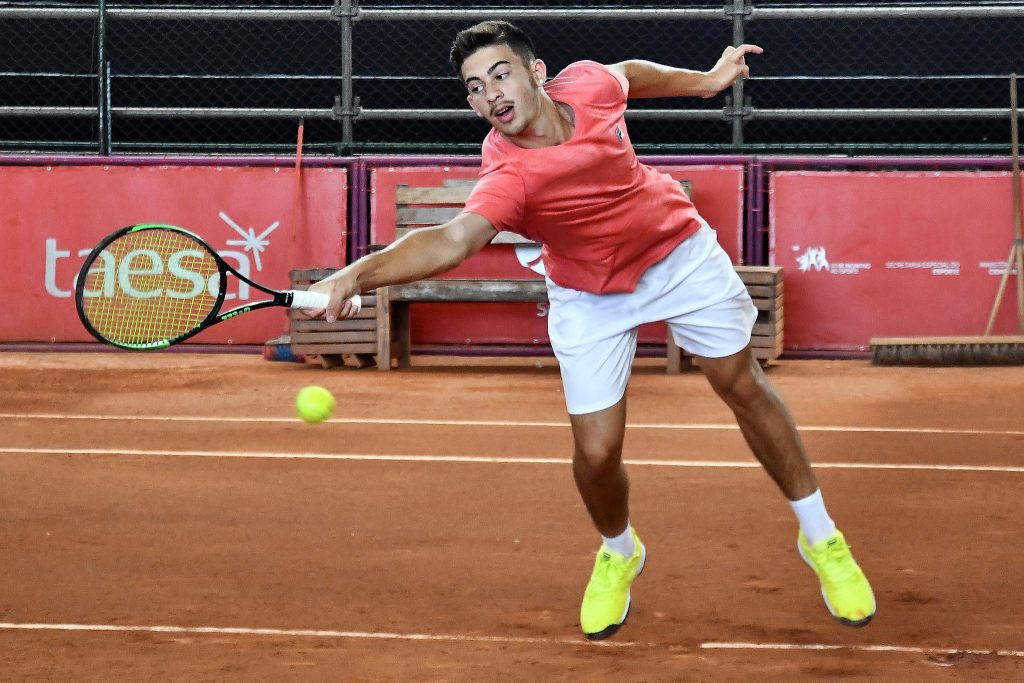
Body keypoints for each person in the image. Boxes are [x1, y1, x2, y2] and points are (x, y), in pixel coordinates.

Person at [308, 20, 875, 641]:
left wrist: (709, 81)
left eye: (500, 74)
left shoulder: (589, 86)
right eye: (474, 87)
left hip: (676, 255)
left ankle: (821, 537)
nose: (491, 94)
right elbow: (452, 239)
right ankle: (620, 549)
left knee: (741, 384)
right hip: (588, 291)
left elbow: (630, 73)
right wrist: (358, 275)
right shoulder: (508, 173)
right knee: (597, 453)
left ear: (536, 73)